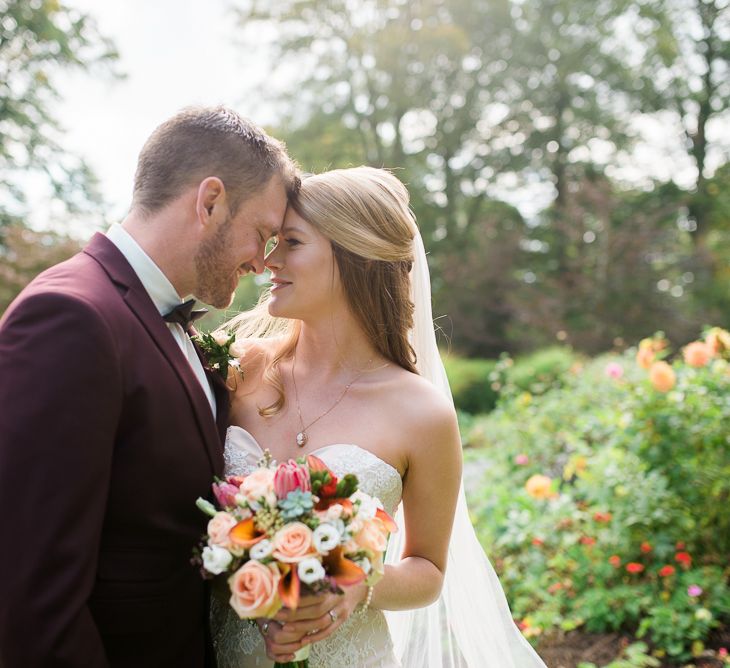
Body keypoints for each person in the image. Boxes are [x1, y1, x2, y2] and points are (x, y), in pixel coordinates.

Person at [212, 167, 547, 667]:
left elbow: (428, 569)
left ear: (354, 258)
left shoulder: (421, 413)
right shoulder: (238, 369)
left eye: (292, 243)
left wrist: (357, 583)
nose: (268, 260)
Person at [0, 106, 298, 668]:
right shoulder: (69, 316)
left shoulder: (170, 320)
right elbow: (32, 591)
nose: (262, 263)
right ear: (209, 202)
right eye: (261, 235)